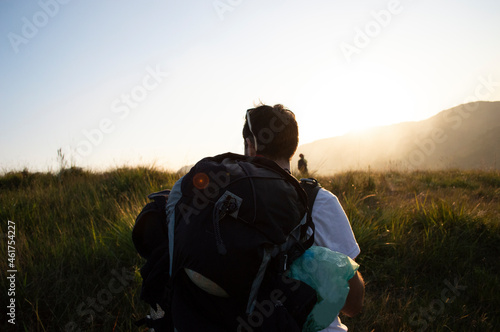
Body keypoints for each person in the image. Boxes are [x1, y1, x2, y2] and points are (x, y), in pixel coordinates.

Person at [243, 104, 364, 332]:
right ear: (293, 146)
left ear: (250, 146)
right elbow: (352, 304)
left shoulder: (224, 204)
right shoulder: (319, 201)